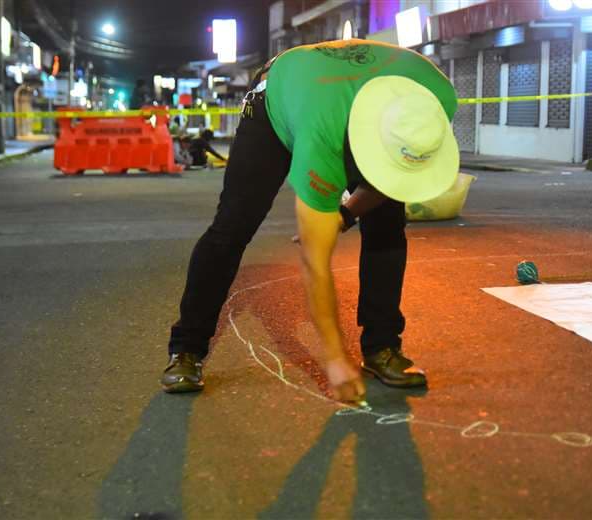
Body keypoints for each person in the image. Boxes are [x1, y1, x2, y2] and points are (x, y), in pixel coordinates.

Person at [161, 39, 459, 405]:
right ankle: (187, 349)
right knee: (233, 226)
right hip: (280, 97)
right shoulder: (323, 135)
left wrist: (347, 214)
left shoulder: (437, 101)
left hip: (337, 96)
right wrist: (334, 359)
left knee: (388, 226)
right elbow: (315, 262)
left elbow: (393, 177)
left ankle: (382, 348)